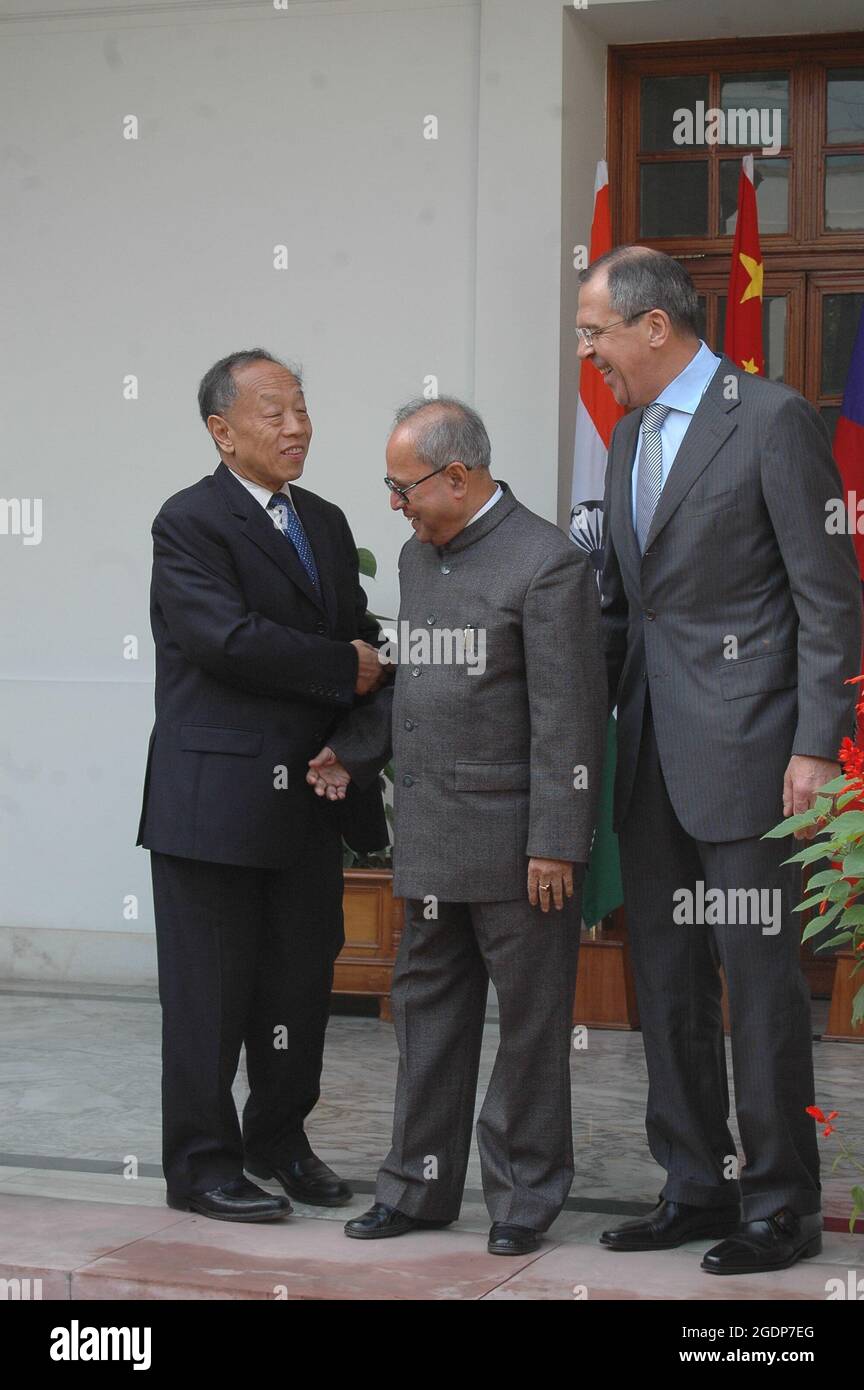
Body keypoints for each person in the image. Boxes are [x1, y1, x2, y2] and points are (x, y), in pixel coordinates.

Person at [576, 246, 862, 1274]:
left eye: (595, 329)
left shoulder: (772, 418)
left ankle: (780, 1204)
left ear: (656, 326)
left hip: (753, 758)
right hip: (649, 753)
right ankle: (693, 1183)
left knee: (760, 982)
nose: (587, 350)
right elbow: (621, 604)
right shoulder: (625, 433)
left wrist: (816, 748)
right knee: (665, 980)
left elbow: (828, 599)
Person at [306, 397, 606, 1254]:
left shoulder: (546, 563)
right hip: (432, 837)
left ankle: (523, 1201)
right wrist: (354, 753)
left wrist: (555, 839)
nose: (395, 506)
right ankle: (417, 1189)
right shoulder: (414, 554)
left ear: (459, 476)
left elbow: (570, 717)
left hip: (520, 848)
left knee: (532, 1031)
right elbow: (414, 686)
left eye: (404, 489)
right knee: (426, 1018)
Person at [137, 349, 387, 1221]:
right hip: (213, 806)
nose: (295, 427)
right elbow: (225, 639)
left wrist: (356, 738)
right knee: (209, 997)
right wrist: (343, 668)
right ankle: (203, 1168)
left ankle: (280, 1140)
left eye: (302, 409)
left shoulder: (321, 520)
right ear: (222, 430)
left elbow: (367, 648)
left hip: (307, 801)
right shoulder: (190, 522)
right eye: (273, 412)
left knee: (296, 990)